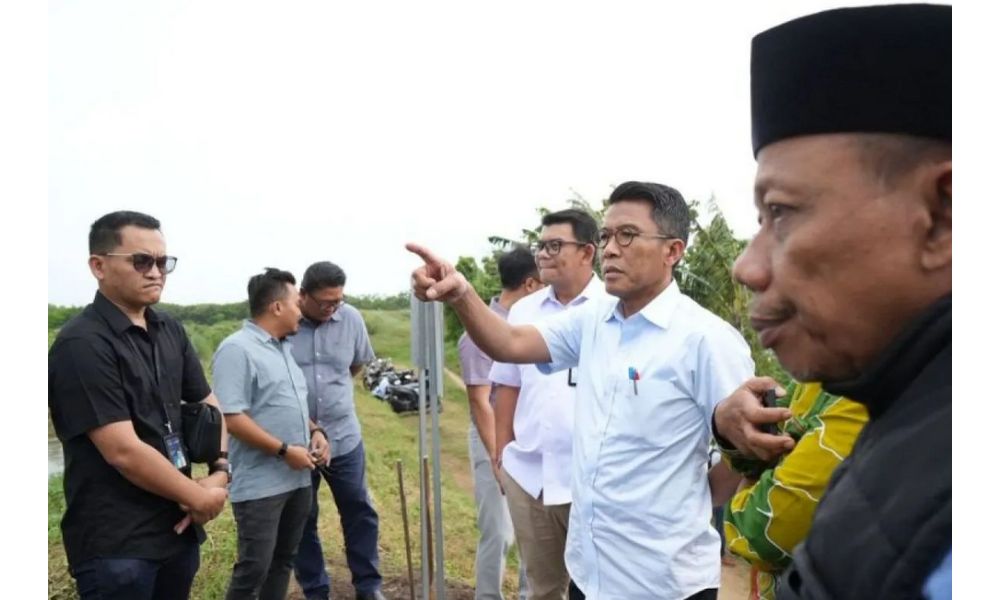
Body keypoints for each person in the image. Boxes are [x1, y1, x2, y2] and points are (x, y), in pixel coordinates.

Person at [408, 180, 754, 599]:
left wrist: (691, 497)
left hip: (663, 582)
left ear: (673, 250)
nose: (610, 250)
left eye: (627, 235)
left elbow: (745, 451)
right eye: (606, 236)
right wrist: (461, 294)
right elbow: (510, 343)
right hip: (590, 575)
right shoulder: (594, 322)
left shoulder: (706, 339)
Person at [711, 5, 951, 598]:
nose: (747, 266)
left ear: (942, 214)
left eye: (782, 212)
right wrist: (733, 430)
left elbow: (768, 532)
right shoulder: (882, 385)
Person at [49, 211, 230, 600]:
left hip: (177, 528)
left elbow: (208, 404)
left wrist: (220, 470)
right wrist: (199, 496)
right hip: (119, 545)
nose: (156, 272)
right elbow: (122, 450)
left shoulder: (169, 329)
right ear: (99, 266)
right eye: (142, 261)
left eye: (163, 262)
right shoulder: (82, 344)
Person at [490, 209, 606, 600]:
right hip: (530, 477)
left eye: (555, 245)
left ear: (587, 252)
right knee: (542, 588)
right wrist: (502, 455)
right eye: (541, 245)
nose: (542, 254)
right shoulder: (524, 311)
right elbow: (507, 385)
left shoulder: (613, 308)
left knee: (598, 588)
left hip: (591, 482)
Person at [213, 268, 331, 600]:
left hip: (297, 480)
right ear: (277, 307)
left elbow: (289, 404)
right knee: (254, 569)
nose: (301, 310)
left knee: (283, 562)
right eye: (296, 302)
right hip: (261, 486)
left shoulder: (282, 349)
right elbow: (231, 417)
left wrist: (316, 431)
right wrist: (283, 450)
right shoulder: (236, 350)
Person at [718, 383, 867, 599]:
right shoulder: (816, 381)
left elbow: (759, 534)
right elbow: (750, 450)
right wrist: (724, 421)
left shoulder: (857, 398)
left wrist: (751, 481)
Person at [290, 261, 384, 600]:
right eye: (325, 302)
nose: (332, 308)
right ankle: (315, 590)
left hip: (344, 437)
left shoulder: (352, 319)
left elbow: (355, 365)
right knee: (303, 518)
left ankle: (368, 586)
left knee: (359, 510)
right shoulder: (286, 322)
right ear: (303, 295)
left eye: (338, 301)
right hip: (297, 443)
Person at [458, 245, 540, 600]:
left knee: (534, 532)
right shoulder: (480, 331)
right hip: (492, 438)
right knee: (498, 531)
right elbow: (480, 402)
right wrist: (498, 457)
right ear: (530, 284)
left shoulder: (533, 327)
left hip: (529, 437)